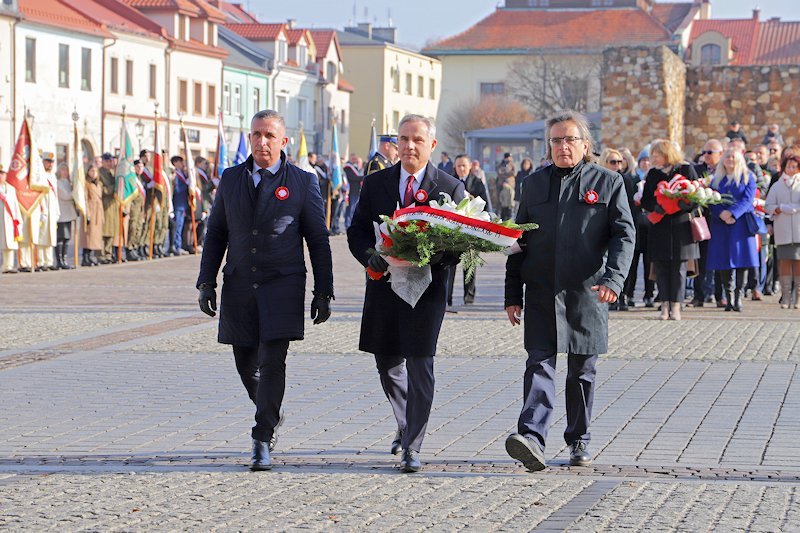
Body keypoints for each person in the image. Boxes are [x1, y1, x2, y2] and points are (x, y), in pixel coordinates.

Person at [197, 109, 334, 471]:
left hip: (283, 284)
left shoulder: (303, 182)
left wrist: (324, 291)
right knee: (245, 361)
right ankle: (270, 410)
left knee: (273, 360)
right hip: (241, 283)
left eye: (269, 135)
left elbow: (318, 239)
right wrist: (206, 281)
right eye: (256, 134)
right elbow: (216, 235)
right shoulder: (230, 179)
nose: (262, 141)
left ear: (283, 141)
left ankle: (262, 436)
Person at [504, 111, 634, 472]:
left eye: (570, 140)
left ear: (585, 145)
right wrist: (512, 294)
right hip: (542, 291)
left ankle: (579, 439)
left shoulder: (608, 182)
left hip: (587, 292)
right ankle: (531, 438)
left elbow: (625, 234)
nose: (563, 146)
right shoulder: (533, 184)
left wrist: (613, 280)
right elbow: (518, 240)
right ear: (548, 147)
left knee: (582, 372)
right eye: (556, 140)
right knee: (539, 366)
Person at [347, 114, 465, 473]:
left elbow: (461, 244)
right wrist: (372, 257)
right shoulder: (376, 182)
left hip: (427, 290)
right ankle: (404, 419)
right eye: (403, 139)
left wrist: (430, 253)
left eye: (417, 140)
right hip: (384, 285)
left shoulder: (450, 187)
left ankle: (413, 443)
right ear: (396, 143)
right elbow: (356, 232)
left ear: (432, 145)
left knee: (420, 362)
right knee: (386, 361)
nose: (409, 146)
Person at [640, 139, 700, 321]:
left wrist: (684, 204)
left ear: (667, 155)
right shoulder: (652, 174)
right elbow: (645, 200)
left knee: (679, 268)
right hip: (660, 226)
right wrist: (655, 206)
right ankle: (664, 305)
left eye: (657, 156)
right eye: (653, 156)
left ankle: (676, 305)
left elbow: (696, 197)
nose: (654, 159)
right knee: (661, 267)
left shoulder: (685, 170)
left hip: (681, 226)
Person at [706, 148, 758, 312]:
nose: (730, 159)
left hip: (740, 224)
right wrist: (721, 213)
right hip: (721, 224)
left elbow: (748, 198)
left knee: (741, 261)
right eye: (727, 157)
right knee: (724, 261)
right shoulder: (716, 179)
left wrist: (733, 213)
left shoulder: (747, 177)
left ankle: (738, 297)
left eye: (733, 157)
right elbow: (711, 199)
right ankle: (728, 298)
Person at [446, 154, 489, 306]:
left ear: (470, 166)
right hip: (452, 231)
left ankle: (469, 297)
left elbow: (486, 207)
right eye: (459, 166)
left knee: (469, 264)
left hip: (471, 231)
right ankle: (447, 297)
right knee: (448, 265)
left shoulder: (477, 183)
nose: (461, 169)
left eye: (464, 165)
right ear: (455, 167)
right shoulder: (448, 182)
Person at [600, 148, 637, 311]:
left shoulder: (625, 180)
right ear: (605, 163)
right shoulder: (599, 179)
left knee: (624, 261)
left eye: (620, 162)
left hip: (620, 226)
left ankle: (623, 295)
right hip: (602, 228)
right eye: (613, 162)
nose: (617, 165)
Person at [690, 139, 724, 308]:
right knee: (700, 258)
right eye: (704, 152)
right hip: (702, 220)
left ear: (720, 154)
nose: (706, 156)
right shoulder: (697, 170)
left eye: (710, 152)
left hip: (720, 221)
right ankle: (699, 295)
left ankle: (720, 295)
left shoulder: (725, 171)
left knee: (719, 259)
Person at [765, 152, 800, 308]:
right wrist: (779, 209)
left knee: (798, 262)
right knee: (785, 261)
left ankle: (797, 297)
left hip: (799, 229)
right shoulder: (777, 185)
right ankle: (785, 296)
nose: (791, 170)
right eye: (788, 167)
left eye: (794, 167)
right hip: (783, 229)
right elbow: (768, 206)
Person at [35, 152, 59, 271]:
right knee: (41, 235)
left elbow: (55, 195)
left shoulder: (53, 176)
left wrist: (57, 210)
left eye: (51, 162)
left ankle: (49, 261)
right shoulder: (40, 175)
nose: (50, 164)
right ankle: (40, 261)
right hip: (43, 208)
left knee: (50, 235)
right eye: (48, 162)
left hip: (52, 208)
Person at [55, 162, 77, 269]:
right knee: (60, 237)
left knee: (67, 238)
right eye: (62, 170)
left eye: (66, 170)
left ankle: (64, 259)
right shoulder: (57, 183)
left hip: (69, 213)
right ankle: (59, 260)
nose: (65, 172)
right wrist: (76, 193)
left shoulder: (68, 183)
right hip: (61, 213)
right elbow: (65, 196)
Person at [81, 165, 104, 267]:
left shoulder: (98, 184)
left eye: (95, 171)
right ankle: (85, 257)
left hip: (98, 211)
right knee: (88, 235)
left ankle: (90, 255)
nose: (94, 173)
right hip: (90, 210)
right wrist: (87, 213)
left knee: (94, 236)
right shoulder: (86, 184)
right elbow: (85, 199)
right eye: (91, 171)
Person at [0, 166, 22, 274]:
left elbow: (15, 205)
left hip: (10, 220)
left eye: (2, 174)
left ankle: (9, 265)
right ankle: (4, 265)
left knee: (10, 242)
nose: (1, 176)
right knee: (3, 242)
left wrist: (18, 219)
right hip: (0, 220)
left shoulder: (11, 189)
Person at [125, 159, 147, 261]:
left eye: (142, 167)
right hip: (134, 207)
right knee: (132, 228)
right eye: (138, 166)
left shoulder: (141, 179)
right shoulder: (132, 178)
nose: (140, 168)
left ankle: (135, 247)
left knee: (139, 228)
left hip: (141, 207)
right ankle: (129, 249)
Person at [98, 153, 118, 264]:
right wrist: (114, 187)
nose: (110, 163)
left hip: (113, 205)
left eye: (111, 161)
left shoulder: (112, 173)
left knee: (111, 231)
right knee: (104, 232)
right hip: (104, 205)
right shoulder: (99, 173)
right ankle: (101, 255)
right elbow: (102, 189)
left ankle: (109, 253)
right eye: (108, 161)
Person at [170, 155, 190, 256]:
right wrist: (186, 184)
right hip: (178, 203)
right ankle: (176, 246)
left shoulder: (183, 174)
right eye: (181, 162)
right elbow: (176, 190)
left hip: (183, 204)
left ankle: (179, 245)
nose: (183, 164)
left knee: (181, 226)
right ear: (176, 162)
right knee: (177, 226)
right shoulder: (175, 174)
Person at [343, 154, 363, 229]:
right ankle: (348, 224)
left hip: (356, 191)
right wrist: (363, 178)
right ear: (350, 158)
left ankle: (351, 223)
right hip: (351, 191)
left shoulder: (354, 167)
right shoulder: (348, 167)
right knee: (350, 208)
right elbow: (352, 178)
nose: (355, 160)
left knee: (354, 208)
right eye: (354, 159)